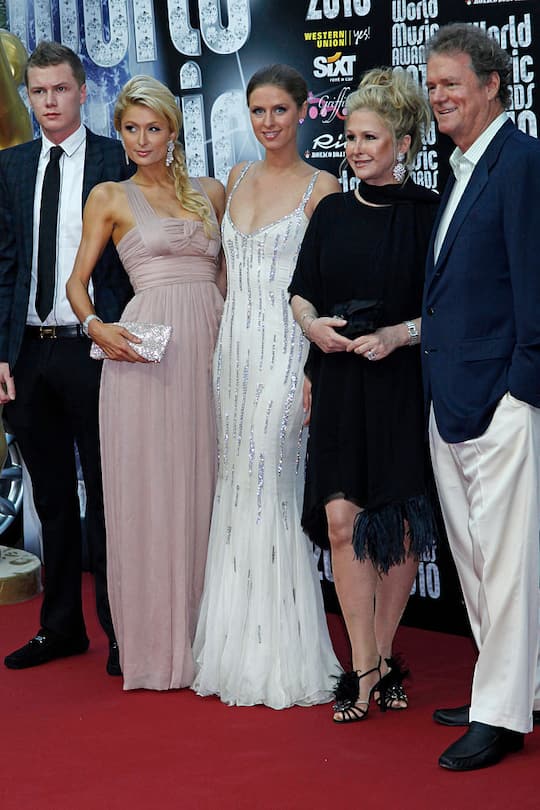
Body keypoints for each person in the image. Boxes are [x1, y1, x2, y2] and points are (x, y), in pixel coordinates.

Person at [289, 68, 439, 722]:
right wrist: (309, 325)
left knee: (398, 530)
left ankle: (381, 654)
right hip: (341, 378)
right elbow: (301, 290)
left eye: (369, 137)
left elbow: (460, 309)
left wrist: (400, 335)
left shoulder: (433, 213)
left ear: (403, 142)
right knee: (342, 521)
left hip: (403, 382)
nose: (354, 148)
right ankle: (366, 664)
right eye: (349, 136)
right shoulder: (331, 211)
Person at [67, 75, 225, 690]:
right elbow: (76, 282)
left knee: (212, 484)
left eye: (152, 128)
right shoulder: (109, 195)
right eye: (130, 128)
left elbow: (227, 279)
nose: (141, 139)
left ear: (173, 130)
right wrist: (94, 327)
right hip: (143, 353)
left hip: (210, 348)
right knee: (152, 493)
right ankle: (159, 648)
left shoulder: (210, 193)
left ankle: (215, 638)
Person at [191, 64, 341, 709]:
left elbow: (327, 287)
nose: (269, 123)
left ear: (303, 112)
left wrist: (314, 370)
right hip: (233, 358)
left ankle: (283, 651)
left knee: (273, 489)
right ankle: (232, 647)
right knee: (235, 487)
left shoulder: (323, 188)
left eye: (280, 110)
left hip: (288, 355)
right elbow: (225, 274)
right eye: (258, 112)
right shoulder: (237, 179)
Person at [423, 23, 540, 771]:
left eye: (451, 84)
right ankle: (510, 687)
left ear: (493, 85)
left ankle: (501, 716)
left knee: (505, 560)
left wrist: (520, 392)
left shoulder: (521, 163)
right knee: (473, 556)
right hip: (450, 393)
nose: (437, 96)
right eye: (431, 86)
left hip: (500, 397)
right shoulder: (462, 167)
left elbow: (534, 284)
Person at [0, 41, 133, 675]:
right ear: (27, 97)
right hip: (28, 351)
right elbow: (3, 267)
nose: (49, 101)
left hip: (98, 349)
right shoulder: (11, 166)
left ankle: (120, 631)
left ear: (84, 93)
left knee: (110, 496)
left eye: (60, 89)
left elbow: (135, 263)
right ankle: (60, 629)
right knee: (49, 496)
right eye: (38, 91)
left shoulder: (118, 158)